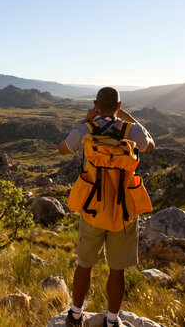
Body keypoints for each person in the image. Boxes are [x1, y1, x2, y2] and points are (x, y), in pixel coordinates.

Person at [58, 87, 155, 327]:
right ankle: (112, 321)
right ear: (119, 106)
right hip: (123, 211)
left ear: (95, 104)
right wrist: (130, 119)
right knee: (117, 270)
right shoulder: (131, 129)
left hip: (92, 207)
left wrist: (87, 119)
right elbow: (150, 145)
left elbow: (63, 148)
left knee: (84, 264)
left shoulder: (85, 129)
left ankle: (76, 315)